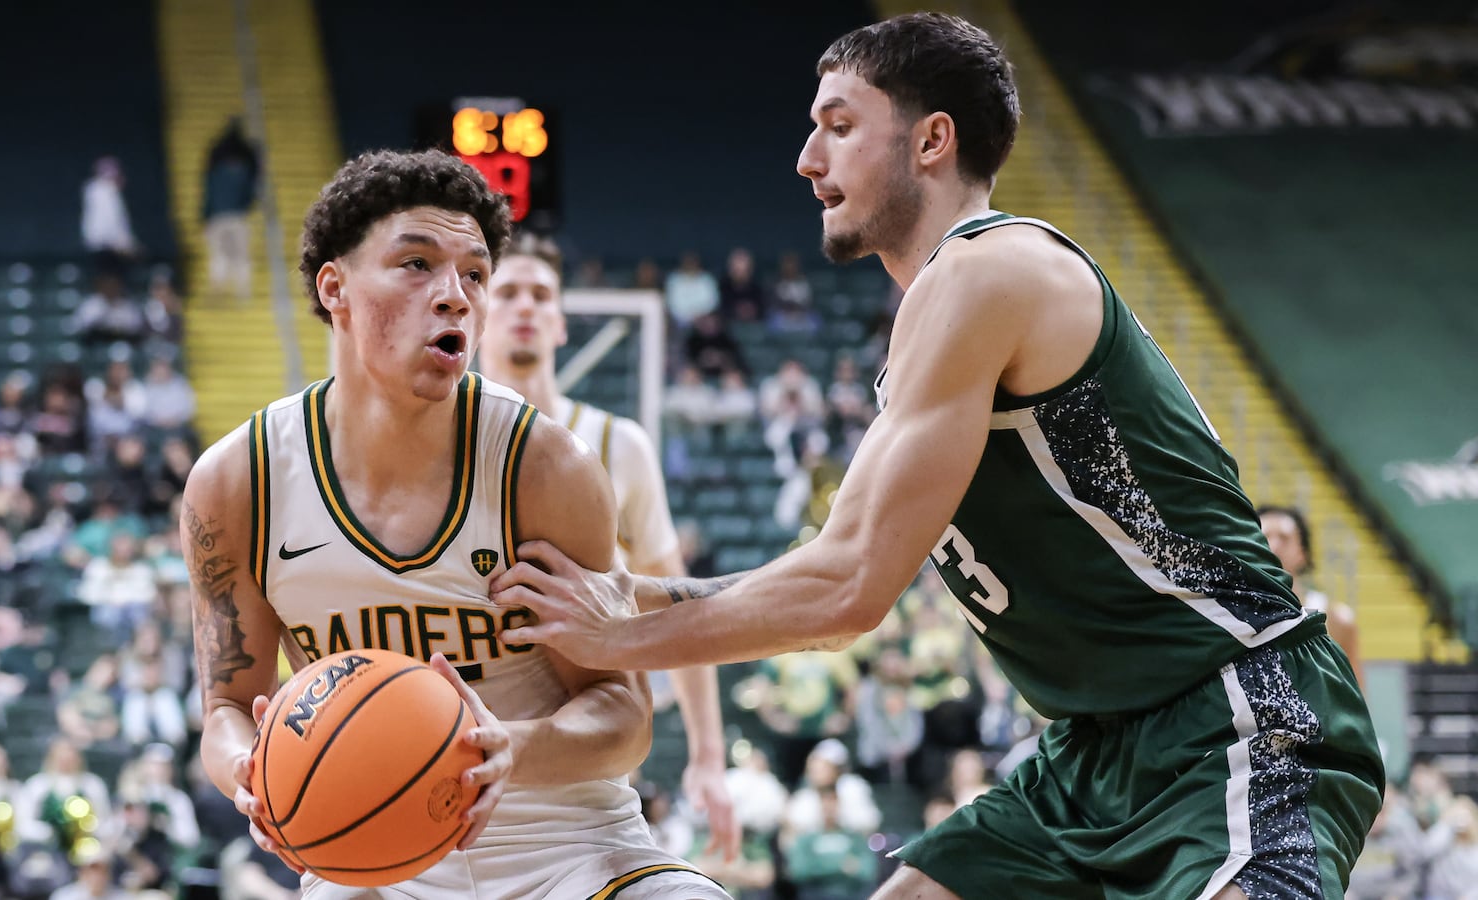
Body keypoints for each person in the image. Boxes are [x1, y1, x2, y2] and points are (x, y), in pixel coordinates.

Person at [490, 13, 1384, 900]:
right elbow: (830, 578)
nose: (807, 159)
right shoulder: (935, 321)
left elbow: (846, 591)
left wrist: (622, 626)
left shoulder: (986, 272)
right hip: (1092, 751)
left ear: (932, 142)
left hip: (1236, 716)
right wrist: (607, 598)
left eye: (839, 126)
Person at [184, 149, 727, 899]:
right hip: (371, 857)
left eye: (474, 273)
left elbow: (626, 714)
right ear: (334, 288)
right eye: (416, 264)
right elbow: (225, 707)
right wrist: (252, 769)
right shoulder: (236, 482)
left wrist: (504, 747)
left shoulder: (545, 465)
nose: (456, 296)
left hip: (566, 845)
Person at [476, 230, 741, 859]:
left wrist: (709, 758)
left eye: (541, 295)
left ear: (562, 324)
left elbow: (681, 606)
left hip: (583, 741)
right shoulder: (441, 443)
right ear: (480, 316)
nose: (525, 308)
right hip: (473, 722)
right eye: (507, 293)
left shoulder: (617, 442)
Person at [1259, 505, 1364, 689]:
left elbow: (1355, 695)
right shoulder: (1232, 612)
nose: (1274, 546)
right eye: (1265, 537)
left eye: (1284, 538)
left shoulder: (1336, 619)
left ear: (1303, 552)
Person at [202, 117, 261, 300]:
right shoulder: (245, 165)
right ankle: (243, 293)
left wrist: (204, 215)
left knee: (219, 255)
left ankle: (217, 290)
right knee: (240, 256)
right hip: (238, 217)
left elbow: (208, 192)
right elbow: (252, 190)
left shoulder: (215, 166)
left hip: (218, 217)